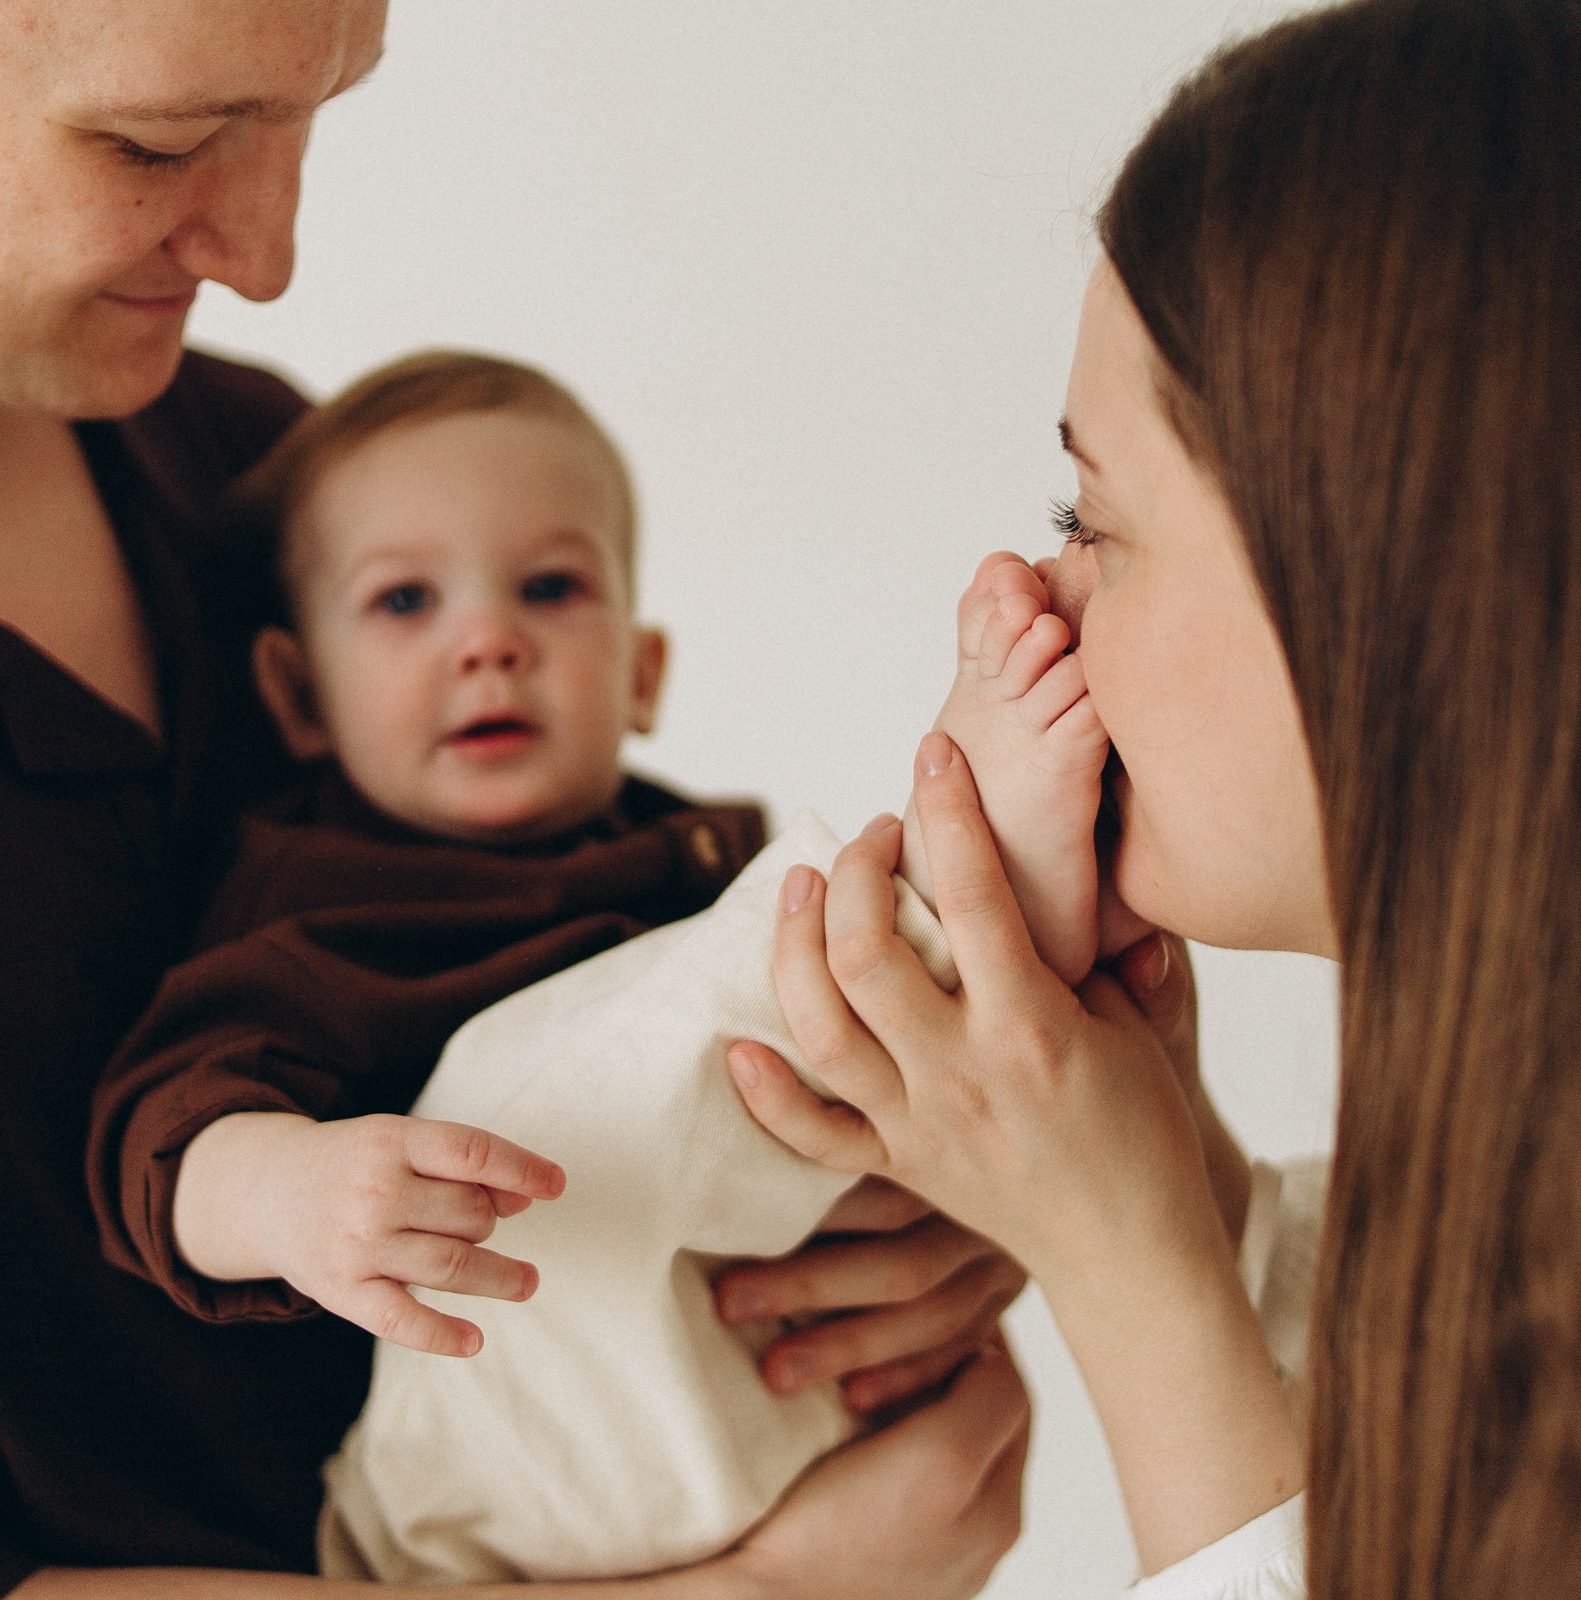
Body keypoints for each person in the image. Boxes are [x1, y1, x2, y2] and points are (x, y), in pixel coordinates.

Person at [0, 2, 1032, 1595]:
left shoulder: (265, 475)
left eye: (313, 109)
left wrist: (902, 1196)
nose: (266, 257)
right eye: (159, 141)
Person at [731, 0, 1581, 1597]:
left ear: (1420, 595)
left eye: (1090, 516)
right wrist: (1176, 1182)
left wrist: (1132, 1276)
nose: (1031, 591)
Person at [90, 347, 1127, 1584]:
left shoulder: (677, 860)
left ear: (642, 675)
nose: (489, 642)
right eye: (405, 603)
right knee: (532, 1071)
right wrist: (293, 1192)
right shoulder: (308, 903)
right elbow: (155, 1138)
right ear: (300, 696)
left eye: (548, 587)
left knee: (775, 975)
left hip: (744, 1405)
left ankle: (981, 940)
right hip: (472, 1477)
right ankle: (973, 883)